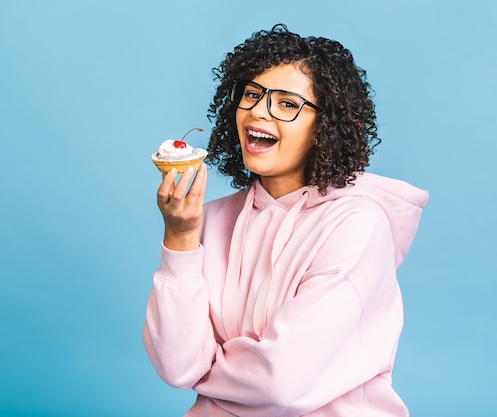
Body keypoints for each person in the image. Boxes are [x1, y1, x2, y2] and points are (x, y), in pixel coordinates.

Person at [142, 24, 429, 417]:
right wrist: (179, 236)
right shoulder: (206, 221)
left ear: (322, 128)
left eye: (287, 104)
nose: (259, 110)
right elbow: (176, 366)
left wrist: (206, 370)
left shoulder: (356, 224)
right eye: (252, 95)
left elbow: (283, 382)